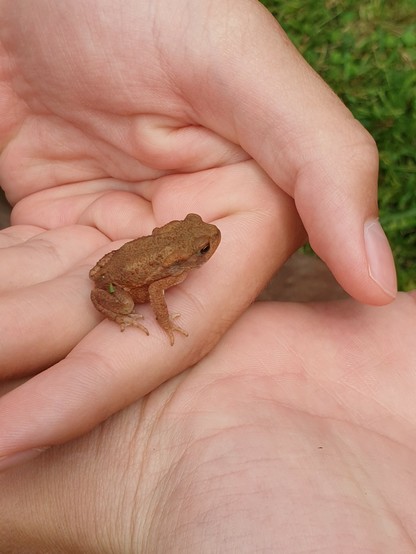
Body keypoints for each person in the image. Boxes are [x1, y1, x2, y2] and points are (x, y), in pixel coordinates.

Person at [0, 0, 411, 551]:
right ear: (183, 259)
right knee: (112, 294)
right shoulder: (166, 280)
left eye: (200, 240)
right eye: (200, 247)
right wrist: (153, 321)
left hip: (110, 241)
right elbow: (157, 295)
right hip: (117, 275)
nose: (209, 244)